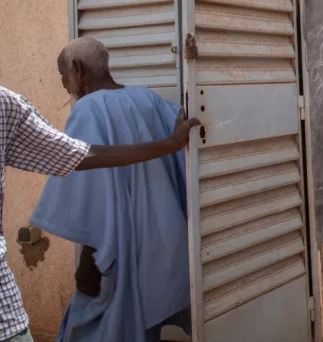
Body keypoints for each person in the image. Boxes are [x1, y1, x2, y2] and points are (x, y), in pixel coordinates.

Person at [0, 79, 197, 342]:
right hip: (161, 242)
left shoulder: (87, 109)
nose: (62, 82)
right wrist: (171, 144)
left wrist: (88, 260)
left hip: (113, 253)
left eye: (62, 74)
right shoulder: (147, 98)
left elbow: (88, 193)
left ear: (77, 71)